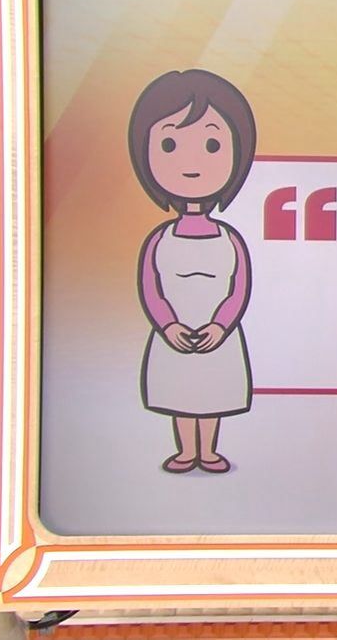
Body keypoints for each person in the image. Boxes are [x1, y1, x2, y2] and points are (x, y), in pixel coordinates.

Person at [128, 69, 258, 475]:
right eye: (169, 144)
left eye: (212, 144)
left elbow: (239, 288)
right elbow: (151, 288)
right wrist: (168, 326)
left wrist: (221, 325)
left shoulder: (230, 238)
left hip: (218, 332)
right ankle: (187, 451)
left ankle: (210, 450)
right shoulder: (159, 238)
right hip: (175, 330)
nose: (192, 163)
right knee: (180, 392)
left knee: (213, 391)